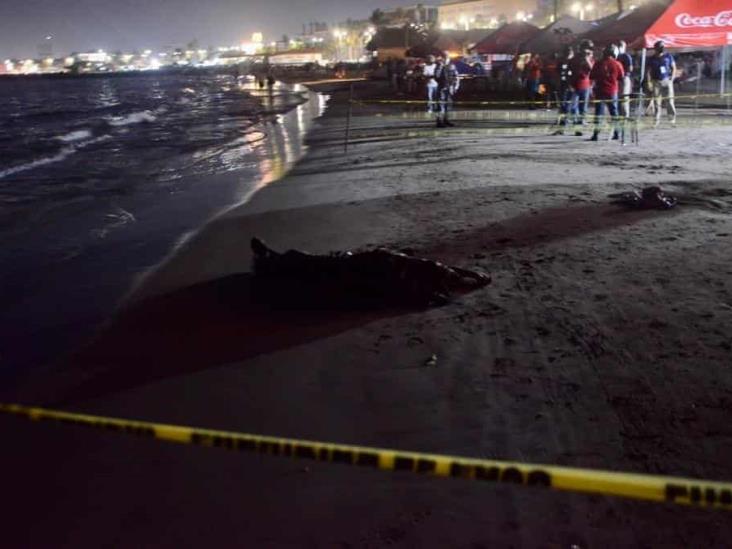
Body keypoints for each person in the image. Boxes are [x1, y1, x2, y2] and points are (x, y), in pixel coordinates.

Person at [589, 44, 625, 141]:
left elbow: (591, 76)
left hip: (600, 91)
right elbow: (621, 78)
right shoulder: (617, 64)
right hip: (612, 91)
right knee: (614, 113)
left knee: (598, 114)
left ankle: (595, 134)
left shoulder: (598, 63)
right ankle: (617, 133)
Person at [646, 40, 677, 126]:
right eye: (659, 47)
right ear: (655, 49)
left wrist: (672, 78)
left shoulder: (668, 56)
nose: (661, 49)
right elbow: (648, 71)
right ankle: (656, 120)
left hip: (666, 80)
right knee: (657, 102)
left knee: (670, 100)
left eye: (662, 47)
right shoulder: (652, 59)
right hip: (656, 81)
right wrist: (649, 82)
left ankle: (672, 119)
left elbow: (673, 67)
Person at [569, 40, 594, 135]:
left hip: (585, 85)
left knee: (583, 107)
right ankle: (576, 127)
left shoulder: (590, 58)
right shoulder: (574, 59)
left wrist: (587, 59)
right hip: (575, 85)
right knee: (574, 107)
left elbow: (592, 69)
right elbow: (569, 70)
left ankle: (580, 126)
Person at [554, 45, 574, 134]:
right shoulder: (561, 62)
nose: (567, 55)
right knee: (563, 106)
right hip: (563, 86)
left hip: (571, 87)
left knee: (570, 107)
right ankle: (563, 125)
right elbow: (558, 73)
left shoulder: (573, 62)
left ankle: (572, 126)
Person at [434, 54, 459, 128]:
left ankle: (446, 120)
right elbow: (436, 76)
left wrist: (455, 86)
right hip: (441, 88)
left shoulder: (452, 66)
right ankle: (439, 121)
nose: (445, 60)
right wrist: (440, 67)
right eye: (444, 58)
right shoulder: (438, 66)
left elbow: (456, 76)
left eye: (447, 58)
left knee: (448, 105)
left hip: (450, 88)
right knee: (440, 105)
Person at [617, 41, 633, 118]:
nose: (619, 47)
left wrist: (622, 71)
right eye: (618, 45)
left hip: (624, 78)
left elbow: (630, 68)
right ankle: (620, 114)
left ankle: (625, 116)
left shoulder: (626, 56)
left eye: (621, 46)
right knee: (618, 97)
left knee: (624, 97)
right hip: (617, 79)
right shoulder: (616, 56)